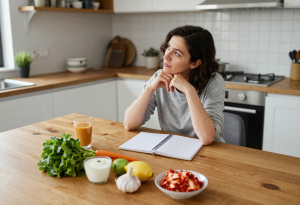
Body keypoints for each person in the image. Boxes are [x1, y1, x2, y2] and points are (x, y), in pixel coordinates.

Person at [124, 25, 225, 145]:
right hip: (171, 147)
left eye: (177, 53)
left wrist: (189, 90)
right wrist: (150, 88)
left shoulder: (213, 82)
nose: (166, 56)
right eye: (168, 47)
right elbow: (129, 124)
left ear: (195, 63)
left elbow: (207, 138)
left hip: (208, 153)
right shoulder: (159, 77)